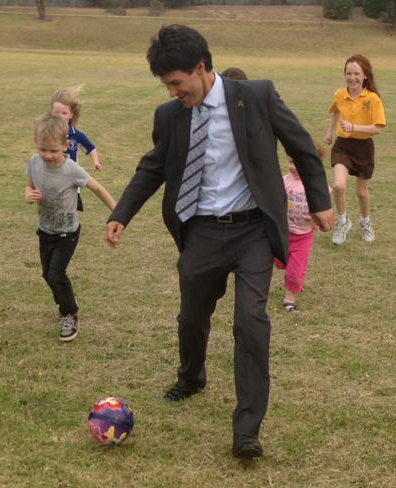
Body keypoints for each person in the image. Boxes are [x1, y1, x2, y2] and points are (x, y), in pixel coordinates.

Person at [104, 24, 333, 458]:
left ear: (201, 67)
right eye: (166, 85)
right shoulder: (170, 116)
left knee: (251, 323)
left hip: (253, 231)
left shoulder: (257, 96)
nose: (173, 92)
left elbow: (302, 146)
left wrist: (320, 201)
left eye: (177, 82)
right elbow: (153, 167)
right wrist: (122, 214)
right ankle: (191, 376)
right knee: (192, 317)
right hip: (203, 230)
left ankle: (247, 430)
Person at [26, 113, 115, 342]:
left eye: (53, 150)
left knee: (56, 273)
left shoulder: (72, 169)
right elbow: (28, 185)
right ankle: (66, 304)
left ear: (66, 145)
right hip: (44, 230)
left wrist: (118, 213)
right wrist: (29, 194)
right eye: (42, 149)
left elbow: (97, 189)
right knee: (47, 274)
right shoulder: (34, 162)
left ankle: (69, 313)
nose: (47, 155)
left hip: (68, 233)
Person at [324, 54, 386, 245]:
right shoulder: (339, 94)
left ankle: (365, 222)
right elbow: (335, 111)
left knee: (361, 192)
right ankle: (342, 223)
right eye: (348, 73)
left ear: (365, 75)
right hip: (343, 145)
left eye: (356, 74)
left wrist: (354, 127)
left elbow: (378, 128)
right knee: (339, 185)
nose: (352, 78)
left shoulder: (373, 99)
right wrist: (330, 132)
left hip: (363, 148)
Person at [274, 147, 328, 312]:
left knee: (295, 272)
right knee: (280, 262)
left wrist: (317, 220)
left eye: (299, 163)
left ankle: (289, 300)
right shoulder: (283, 181)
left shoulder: (315, 185)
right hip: (282, 233)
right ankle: (291, 275)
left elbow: (323, 206)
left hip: (303, 236)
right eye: (291, 161)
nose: (293, 167)